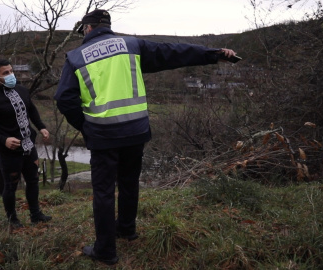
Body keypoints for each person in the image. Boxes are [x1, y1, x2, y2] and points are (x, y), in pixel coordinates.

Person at [54, 9, 238, 265]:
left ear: (87, 28)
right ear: (107, 25)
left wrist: (85, 126)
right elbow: (174, 53)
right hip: (136, 130)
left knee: (105, 192)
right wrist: (213, 54)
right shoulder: (132, 45)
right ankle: (127, 229)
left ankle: (105, 251)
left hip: (104, 134)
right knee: (129, 182)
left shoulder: (75, 57)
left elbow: (64, 98)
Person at [0, 59, 52, 229]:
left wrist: (41, 127)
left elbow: (31, 110)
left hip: (29, 145)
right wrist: (3, 140)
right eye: (6, 73)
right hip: (9, 151)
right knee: (10, 186)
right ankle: (12, 220)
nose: (11, 75)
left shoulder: (22, 90)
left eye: (11, 71)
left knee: (33, 181)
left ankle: (36, 215)